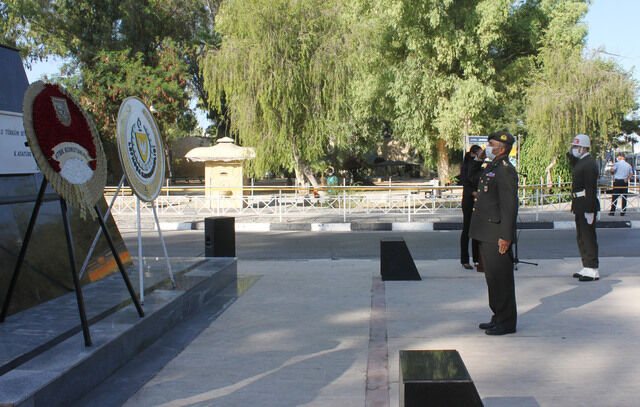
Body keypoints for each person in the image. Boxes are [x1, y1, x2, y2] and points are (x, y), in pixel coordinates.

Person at [469, 131, 519, 335]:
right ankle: (497, 315)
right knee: (492, 279)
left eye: (491, 144)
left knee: (502, 279)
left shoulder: (505, 170)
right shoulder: (492, 166)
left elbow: (509, 206)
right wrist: (477, 160)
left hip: (497, 233)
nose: (487, 147)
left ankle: (506, 322)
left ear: (502, 148)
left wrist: (506, 236)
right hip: (486, 232)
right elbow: (471, 178)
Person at [567, 134, 600, 282]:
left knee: (588, 237)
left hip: (586, 204)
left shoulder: (590, 164)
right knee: (581, 237)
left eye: (576, 146)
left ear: (584, 147)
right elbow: (572, 160)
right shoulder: (582, 162)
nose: (574, 149)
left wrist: (590, 209)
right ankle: (586, 265)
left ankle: (592, 268)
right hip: (579, 204)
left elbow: (591, 188)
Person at [459, 145, 484, 270]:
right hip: (469, 201)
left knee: (477, 231)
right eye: (479, 153)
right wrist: (473, 193)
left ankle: (477, 259)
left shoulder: (479, 166)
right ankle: (464, 260)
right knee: (467, 230)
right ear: (473, 154)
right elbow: (466, 182)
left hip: (478, 201)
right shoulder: (466, 167)